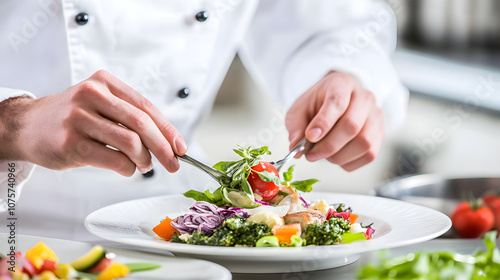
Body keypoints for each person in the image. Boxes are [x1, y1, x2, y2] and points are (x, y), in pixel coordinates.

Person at [0, 0, 408, 241]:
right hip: (15, 235)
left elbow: (325, 23)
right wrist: (12, 122)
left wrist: (344, 75)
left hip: (182, 235)